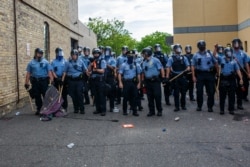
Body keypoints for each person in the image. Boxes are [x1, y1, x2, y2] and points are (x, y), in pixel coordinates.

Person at [191, 40, 219, 112]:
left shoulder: (210, 53)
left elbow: (215, 63)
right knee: (199, 91)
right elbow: (193, 66)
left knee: (211, 91)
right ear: (198, 47)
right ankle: (199, 106)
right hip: (200, 75)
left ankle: (210, 107)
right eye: (200, 46)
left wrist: (217, 73)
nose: (202, 47)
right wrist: (193, 76)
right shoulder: (195, 55)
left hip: (209, 74)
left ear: (205, 46)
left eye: (203, 46)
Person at [24, 48, 53, 115]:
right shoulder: (31, 63)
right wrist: (26, 83)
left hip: (44, 81)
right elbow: (28, 73)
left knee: (46, 95)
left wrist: (52, 80)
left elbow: (49, 72)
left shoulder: (45, 62)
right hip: (35, 82)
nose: (40, 55)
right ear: (35, 54)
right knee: (37, 96)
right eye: (38, 53)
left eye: (41, 54)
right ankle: (39, 109)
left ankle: (46, 109)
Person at [218, 47, 243, 115]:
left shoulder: (234, 61)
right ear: (225, 53)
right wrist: (215, 48)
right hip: (223, 79)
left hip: (231, 79)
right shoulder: (221, 59)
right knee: (222, 95)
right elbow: (214, 55)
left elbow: (238, 70)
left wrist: (241, 78)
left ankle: (231, 109)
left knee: (232, 95)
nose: (229, 53)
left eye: (230, 52)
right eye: (227, 52)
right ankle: (222, 109)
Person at [141, 47, 166, 117]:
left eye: (144, 53)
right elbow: (143, 72)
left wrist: (163, 77)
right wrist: (142, 80)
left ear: (147, 53)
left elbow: (161, 68)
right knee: (149, 97)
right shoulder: (144, 62)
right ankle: (151, 111)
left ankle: (159, 110)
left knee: (157, 96)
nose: (143, 55)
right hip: (148, 81)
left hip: (155, 81)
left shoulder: (155, 60)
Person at [166, 44, 190, 111]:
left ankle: (183, 105)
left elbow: (188, 66)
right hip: (175, 77)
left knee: (183, 92)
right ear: (174, 50)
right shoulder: (171, 58)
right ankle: (177, 107)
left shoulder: (184, 58)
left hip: (183, 77)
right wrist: (167, 77)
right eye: (177, 48)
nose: (178, 49)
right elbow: (168, 67)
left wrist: (187, 69)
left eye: (179, 48)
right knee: (176, 93)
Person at [63, 49, 87, 114]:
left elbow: (85, 70)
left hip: (79, 80)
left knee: (79, 94)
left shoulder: (81, 62)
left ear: (77, 55)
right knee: (73, 95)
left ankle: (82, 109)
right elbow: (65, 72)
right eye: (73, 55)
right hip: (71, 80)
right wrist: (63, 80)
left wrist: (88, 76)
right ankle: (76, 108)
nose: (74, 56)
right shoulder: (68, 62)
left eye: (75, 55)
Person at [118, 50, 141, 116]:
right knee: (125, 97)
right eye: (129, 56)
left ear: (134, 56)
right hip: (126, 83)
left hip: (134, 83)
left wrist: (139, 83)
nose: (130, 57)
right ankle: (125, 110)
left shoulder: (137, 65)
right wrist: (120, 82)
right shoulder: (123, 65)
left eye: (132, 56)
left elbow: (138, 74)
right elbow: (120, 74)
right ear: (127, 56)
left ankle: (135, 111)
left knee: (134, 97)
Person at [87, 48, 107, 116]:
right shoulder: (93, 61)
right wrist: (91, 64)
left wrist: (96, 70)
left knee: (102, 96)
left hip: (100, 80)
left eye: (97, 53)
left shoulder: (102, 61)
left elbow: (103, 71)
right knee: (96, 95)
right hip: (94, 81)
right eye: (94, 53)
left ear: (99, 54)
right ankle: (97, 109)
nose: (96, 54)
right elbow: (89, 70)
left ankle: (103, 110)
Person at [232, 38, 250, 108]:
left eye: (237, 43)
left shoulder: (243, 53)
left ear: (240, 44)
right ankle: (232, 104)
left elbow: (246, 64)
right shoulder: (230, 52)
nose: (236, 44)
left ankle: (239, 104)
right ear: (233, 44)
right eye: (235, 43)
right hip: (232, 73)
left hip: (241, 73)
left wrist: (248, 73)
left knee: (240, 88)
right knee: (232, 89)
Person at [51, 47, 68, 112]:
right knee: (56, 94)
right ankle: (57, 107)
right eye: (59, 53)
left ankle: (64, 107)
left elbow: (65, 71)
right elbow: (52, 71)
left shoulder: (65, 61)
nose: (60, 54)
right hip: (57, 78)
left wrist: (62, 79)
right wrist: (56, 78)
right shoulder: (53, 62)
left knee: (64, 94)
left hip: (63, 78)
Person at [104, 46, 116, 112]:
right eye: (106, 51)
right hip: (103, 76)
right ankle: (103, 108)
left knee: (111, 92)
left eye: (108, 51)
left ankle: (112, 107)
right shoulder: (102, 58)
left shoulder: (112, 59)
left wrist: (107, 64)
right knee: (103, 92)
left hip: (110, 76)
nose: (107, 52)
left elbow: (113, 68)